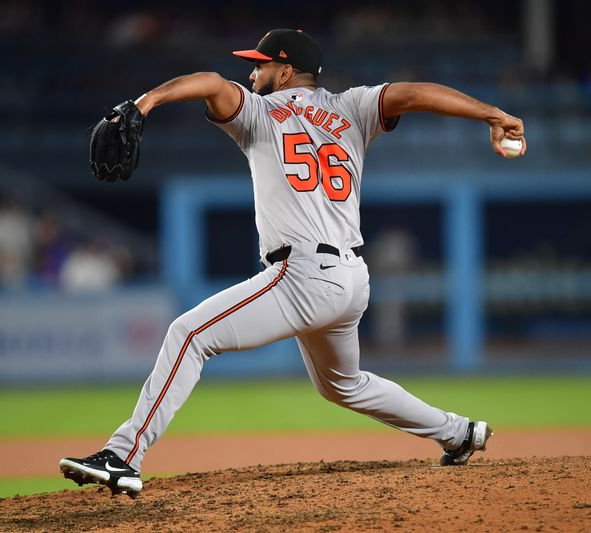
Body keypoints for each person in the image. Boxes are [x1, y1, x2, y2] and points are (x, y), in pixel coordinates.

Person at [59, 28, 526, 497]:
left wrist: (145, 104)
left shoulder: (259, 112)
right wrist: (494, 113)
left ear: (284, 71)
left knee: (189, 333)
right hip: (352, 279)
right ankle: (459, 433)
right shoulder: (352, 108)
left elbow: (209, 82)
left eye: (260, 65)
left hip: (303, 275)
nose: (252, 72)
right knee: (343, 386)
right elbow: (411, 93)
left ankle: (123, 456)